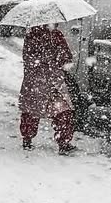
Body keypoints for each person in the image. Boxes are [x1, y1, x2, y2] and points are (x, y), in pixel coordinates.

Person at [19, 23, 76, 154]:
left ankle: (28, 139)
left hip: (39, 82)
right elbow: (66, 58)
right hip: (48, 82)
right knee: (61, 112)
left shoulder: (35, 36)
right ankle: (63, 142)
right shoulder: (49, 35)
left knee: (33, 111)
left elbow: (28, 59)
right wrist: (52, 60)